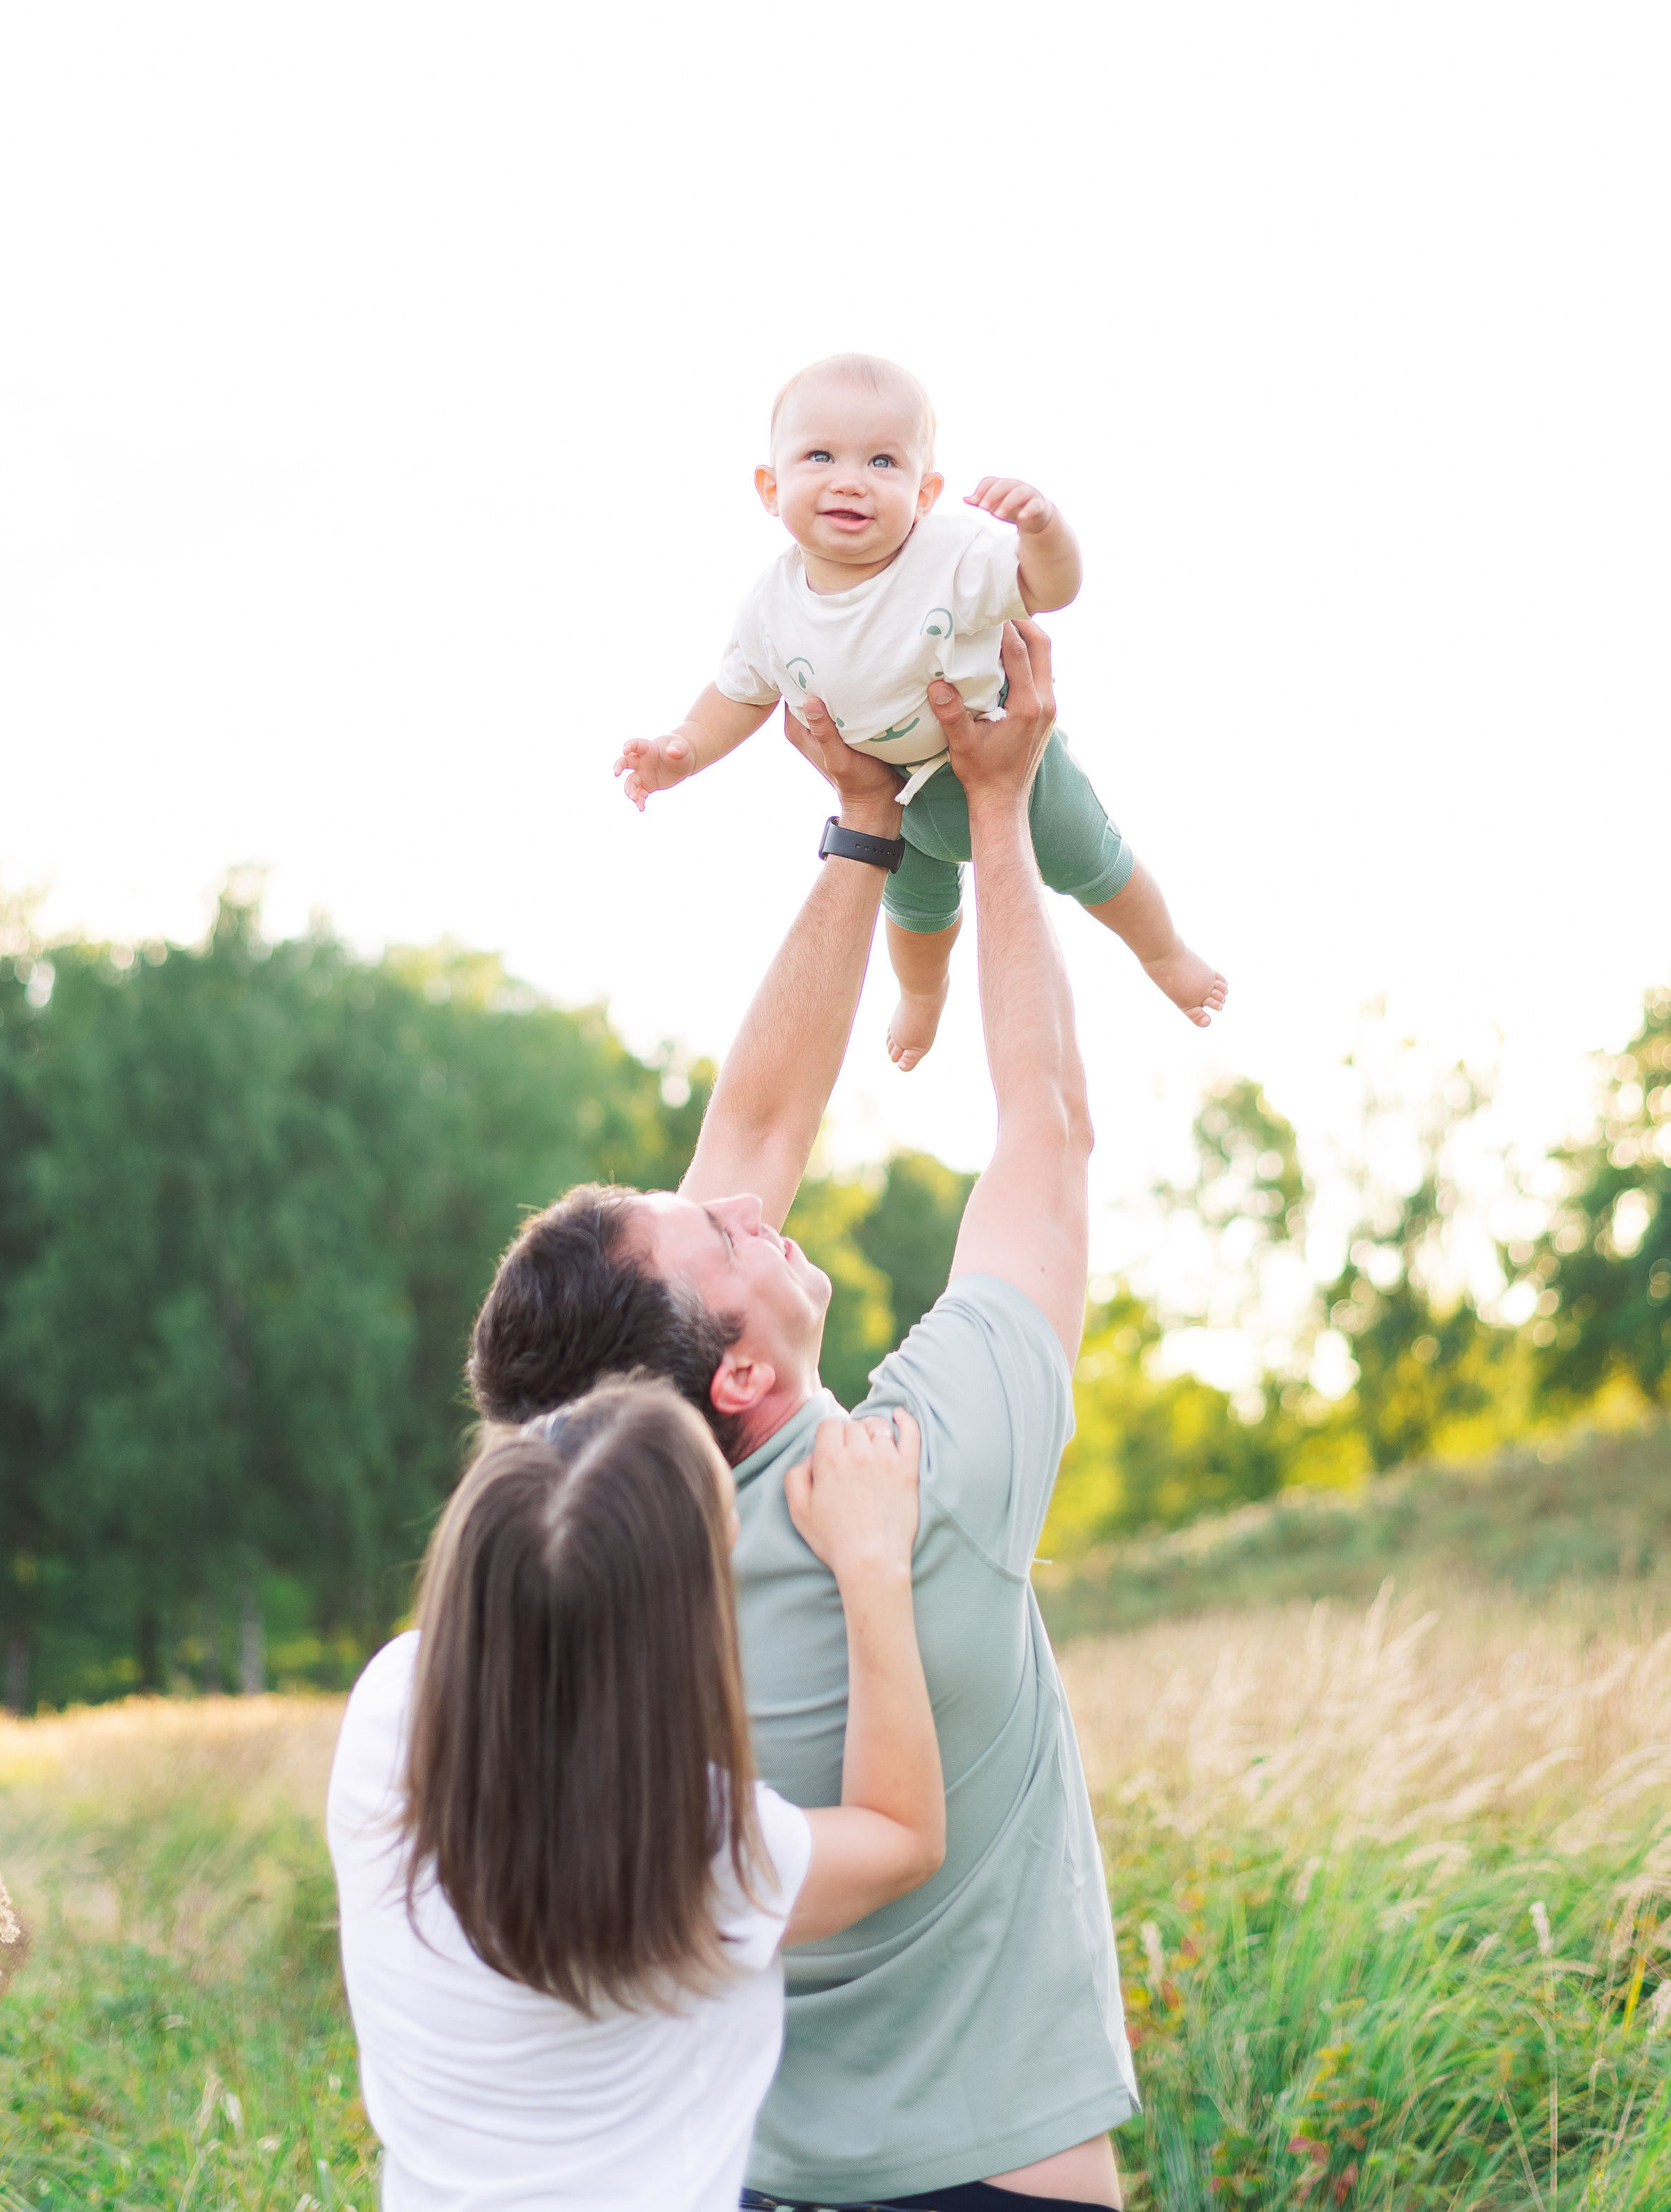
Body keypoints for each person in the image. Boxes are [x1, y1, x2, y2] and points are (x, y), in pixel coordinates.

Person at [473, 616, 1138, 2209]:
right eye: (714, 1230)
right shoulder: (925, 1476)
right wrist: (995, 806)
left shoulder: (589, 1577)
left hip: (746, 2180)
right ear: (739, 1379)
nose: (743, 1204)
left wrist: (859, 824)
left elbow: (753, 1132)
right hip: (1006, 2183)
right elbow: (1042, 1130)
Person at [326, 1377, 943, 2212]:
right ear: (678, 1630)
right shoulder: (697, 1844)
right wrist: (873, 1559)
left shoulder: (386, 1712)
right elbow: (902, 1834)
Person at [614, 348, 1227, 1068]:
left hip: (1006, 756)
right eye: (820, 456)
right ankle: (923, 1000)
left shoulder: (948, 559)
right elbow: (739, 693)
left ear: (926, 491)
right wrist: (682, 749)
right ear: (769, 487)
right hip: (899, 792)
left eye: (882, 462)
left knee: (1096, 865)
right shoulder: (770, 607)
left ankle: (1165, 954)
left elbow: (1047, 587)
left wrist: (1044, 529)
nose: (851, 480)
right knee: (915, 918)